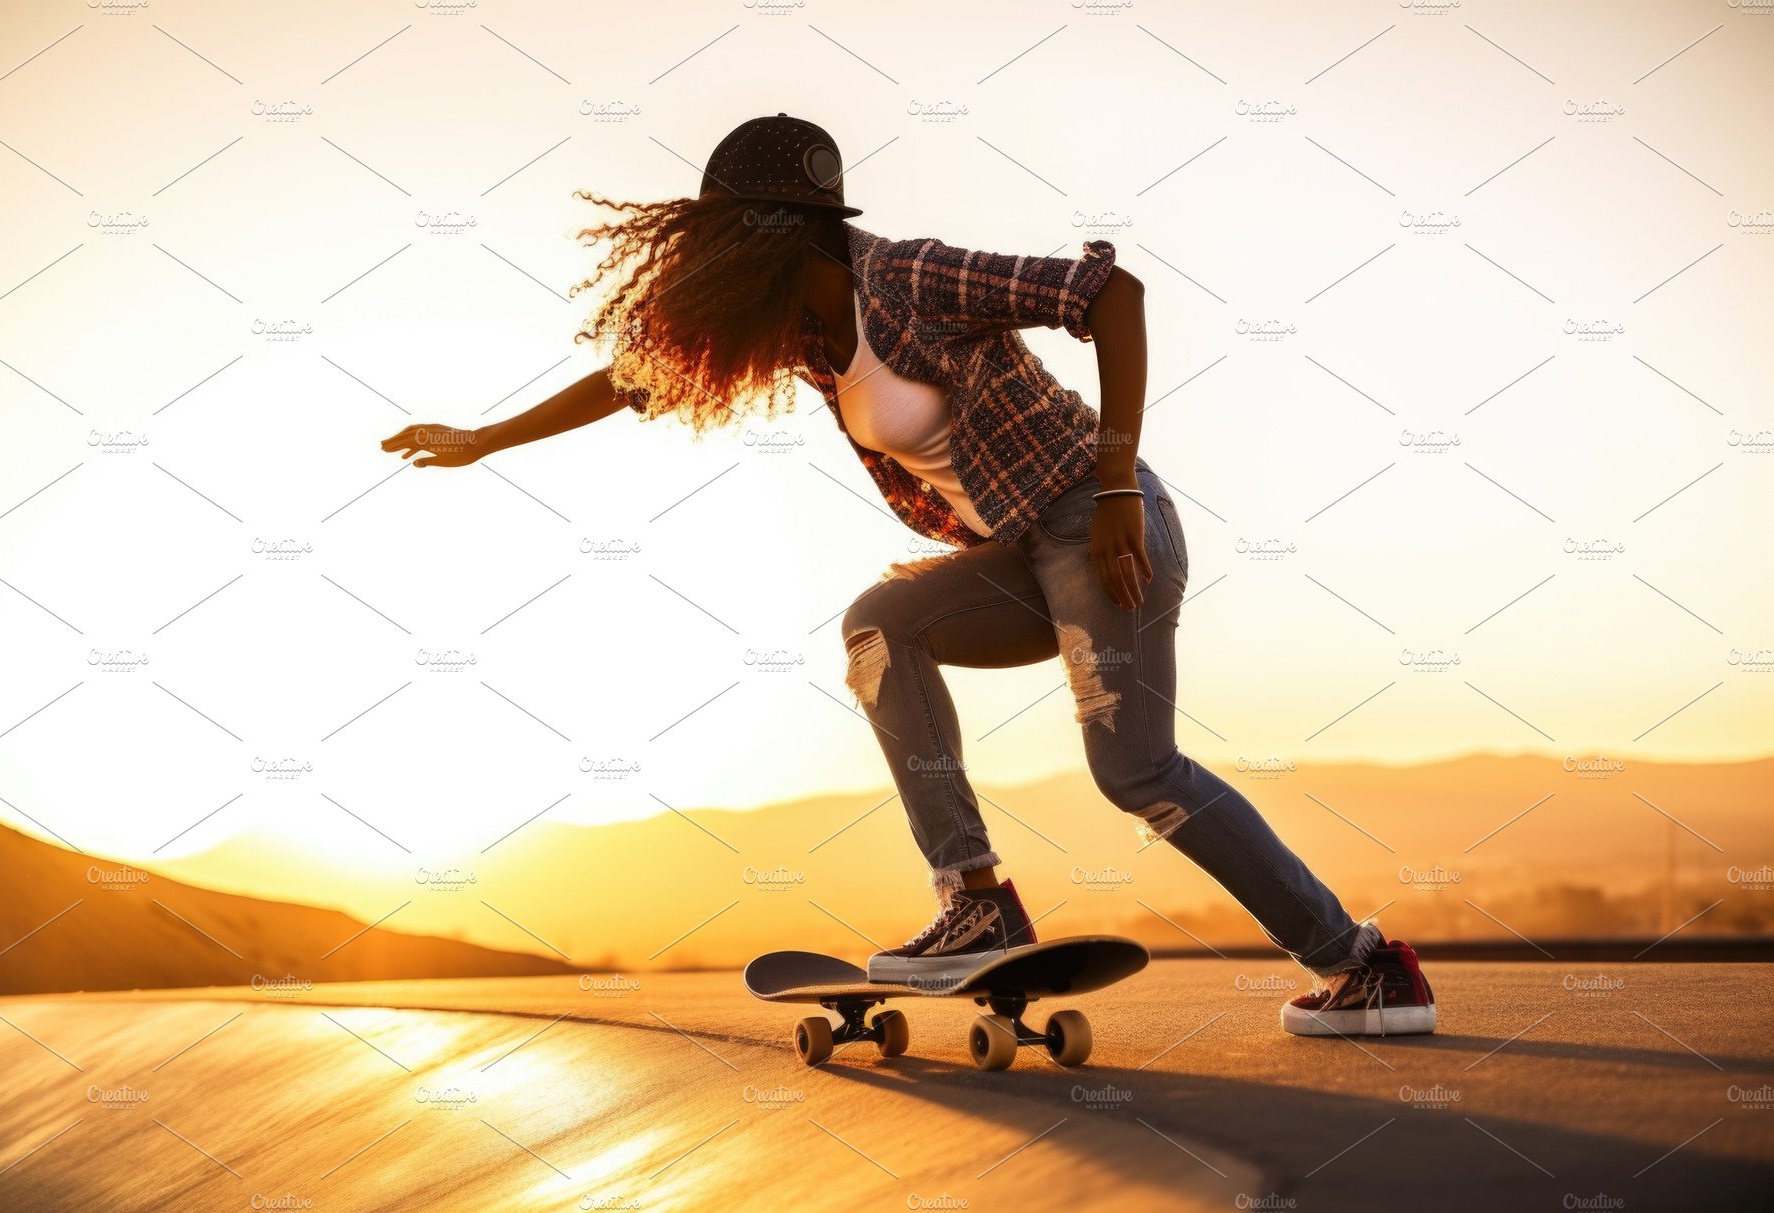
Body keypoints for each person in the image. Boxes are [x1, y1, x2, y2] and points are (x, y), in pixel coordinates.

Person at [380, 114, 1436, 1036]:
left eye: (716, 240)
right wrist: (486, 438)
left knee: (1135, 773)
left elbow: (1108, 294)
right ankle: (973, 894)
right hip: (1019, 552)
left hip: (1105, 522)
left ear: (773, 233)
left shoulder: (908, 277)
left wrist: (1116, 483)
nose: (702, 268)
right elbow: (636, 376)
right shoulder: (798, 328)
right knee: (882, 623)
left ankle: (1358, 962)